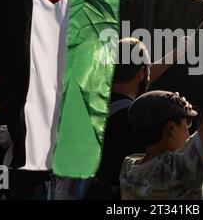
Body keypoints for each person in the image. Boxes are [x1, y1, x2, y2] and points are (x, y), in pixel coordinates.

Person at [119, 0, 203, 200]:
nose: (191, 130)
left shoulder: (129, 169)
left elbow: (135, 87)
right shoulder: (178, 171)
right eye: (187, 121)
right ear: (170, 129)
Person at [54, 36, 192, 200]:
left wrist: (173, 55)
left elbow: (135, 78)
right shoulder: (135, 119)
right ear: (141, 73)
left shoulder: (91, 105)